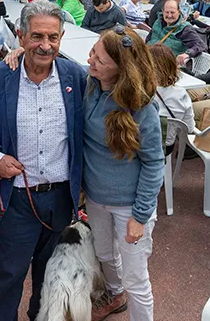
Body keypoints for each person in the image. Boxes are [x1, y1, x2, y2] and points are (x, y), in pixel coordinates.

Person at [0, 0, 87, 320]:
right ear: (21, 36)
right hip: (16, 202)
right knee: (8, 279)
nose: (45, 45)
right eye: (37, 36)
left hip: (62, 199)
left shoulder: (75, 77)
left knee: (50, 281)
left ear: (62, 38)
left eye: (53, 37)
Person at [75, 27, 163, 321]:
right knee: (104, 255)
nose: (90, 60)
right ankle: (114, 295)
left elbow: (153, 164)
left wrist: (140, 216)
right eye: (92, 52)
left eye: (99, 58)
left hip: (130, 206)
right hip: (97, 200)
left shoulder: (141, 108)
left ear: (120, 67)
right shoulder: (90, 82)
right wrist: (19, 52)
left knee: (137, 281)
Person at [150, 43, 195, 154]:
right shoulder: (181, 94)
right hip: (166, 147)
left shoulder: (139, 91)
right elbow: (189, 128)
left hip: (139, 145)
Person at [146, 0, 206, 66]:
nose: (169, 15)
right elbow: (148, 39)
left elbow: (201, 45)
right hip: (148, 59)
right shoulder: (158, 22)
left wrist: (187, 54)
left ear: (179, 12)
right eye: (167, 12)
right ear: (162, 11)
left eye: (172, 12)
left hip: (167, 65)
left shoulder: (185, 28)